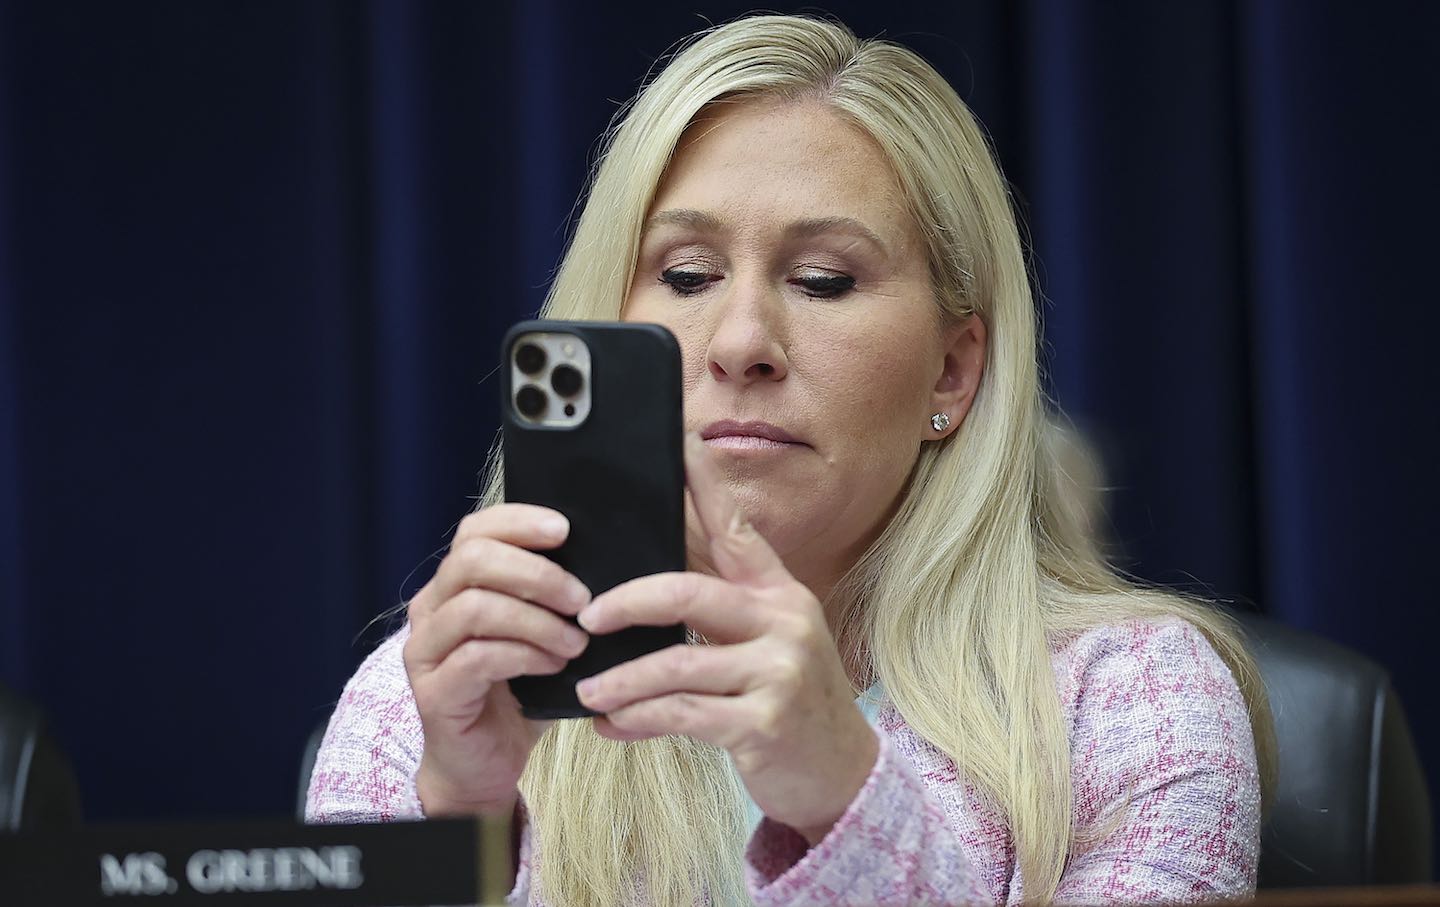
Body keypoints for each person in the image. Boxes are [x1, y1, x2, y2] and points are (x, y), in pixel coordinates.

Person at [306, 14, 1274, 906]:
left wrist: (845, 796)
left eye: (822, 281)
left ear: (952, 369)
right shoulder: (421, 701)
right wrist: (462, 829)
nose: (741, 341)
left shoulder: (1137, 700)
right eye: (685, 275)